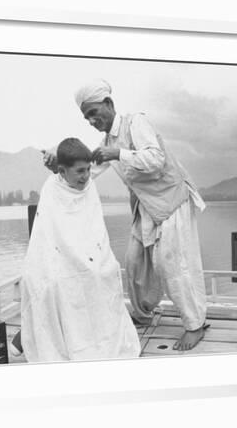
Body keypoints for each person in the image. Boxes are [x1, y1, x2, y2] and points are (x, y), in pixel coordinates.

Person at [43, 79, 208, 351]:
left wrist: (119, 153)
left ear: (109, 104)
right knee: (134, 262)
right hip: (146, 207)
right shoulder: (106, 142)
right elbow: (85, 174)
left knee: (174, 265)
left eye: (95, 112)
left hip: (172, 201)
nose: (92, 120)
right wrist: (57, 166)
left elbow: (155, 159)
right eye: (87, 117)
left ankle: (195, 325)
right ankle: (143, 314)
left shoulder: (136, 123)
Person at [18, 137, 140, 362]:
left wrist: (91, 260)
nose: (86, 176)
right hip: (59, 260)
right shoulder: (52, 189)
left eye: (88, 169)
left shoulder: (89, 186)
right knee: (56, 284)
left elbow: (94, 231)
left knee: (105, 273)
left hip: (90, 256)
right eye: (80, 171)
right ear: (62, 171)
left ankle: (99, 339)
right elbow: (49, 237)